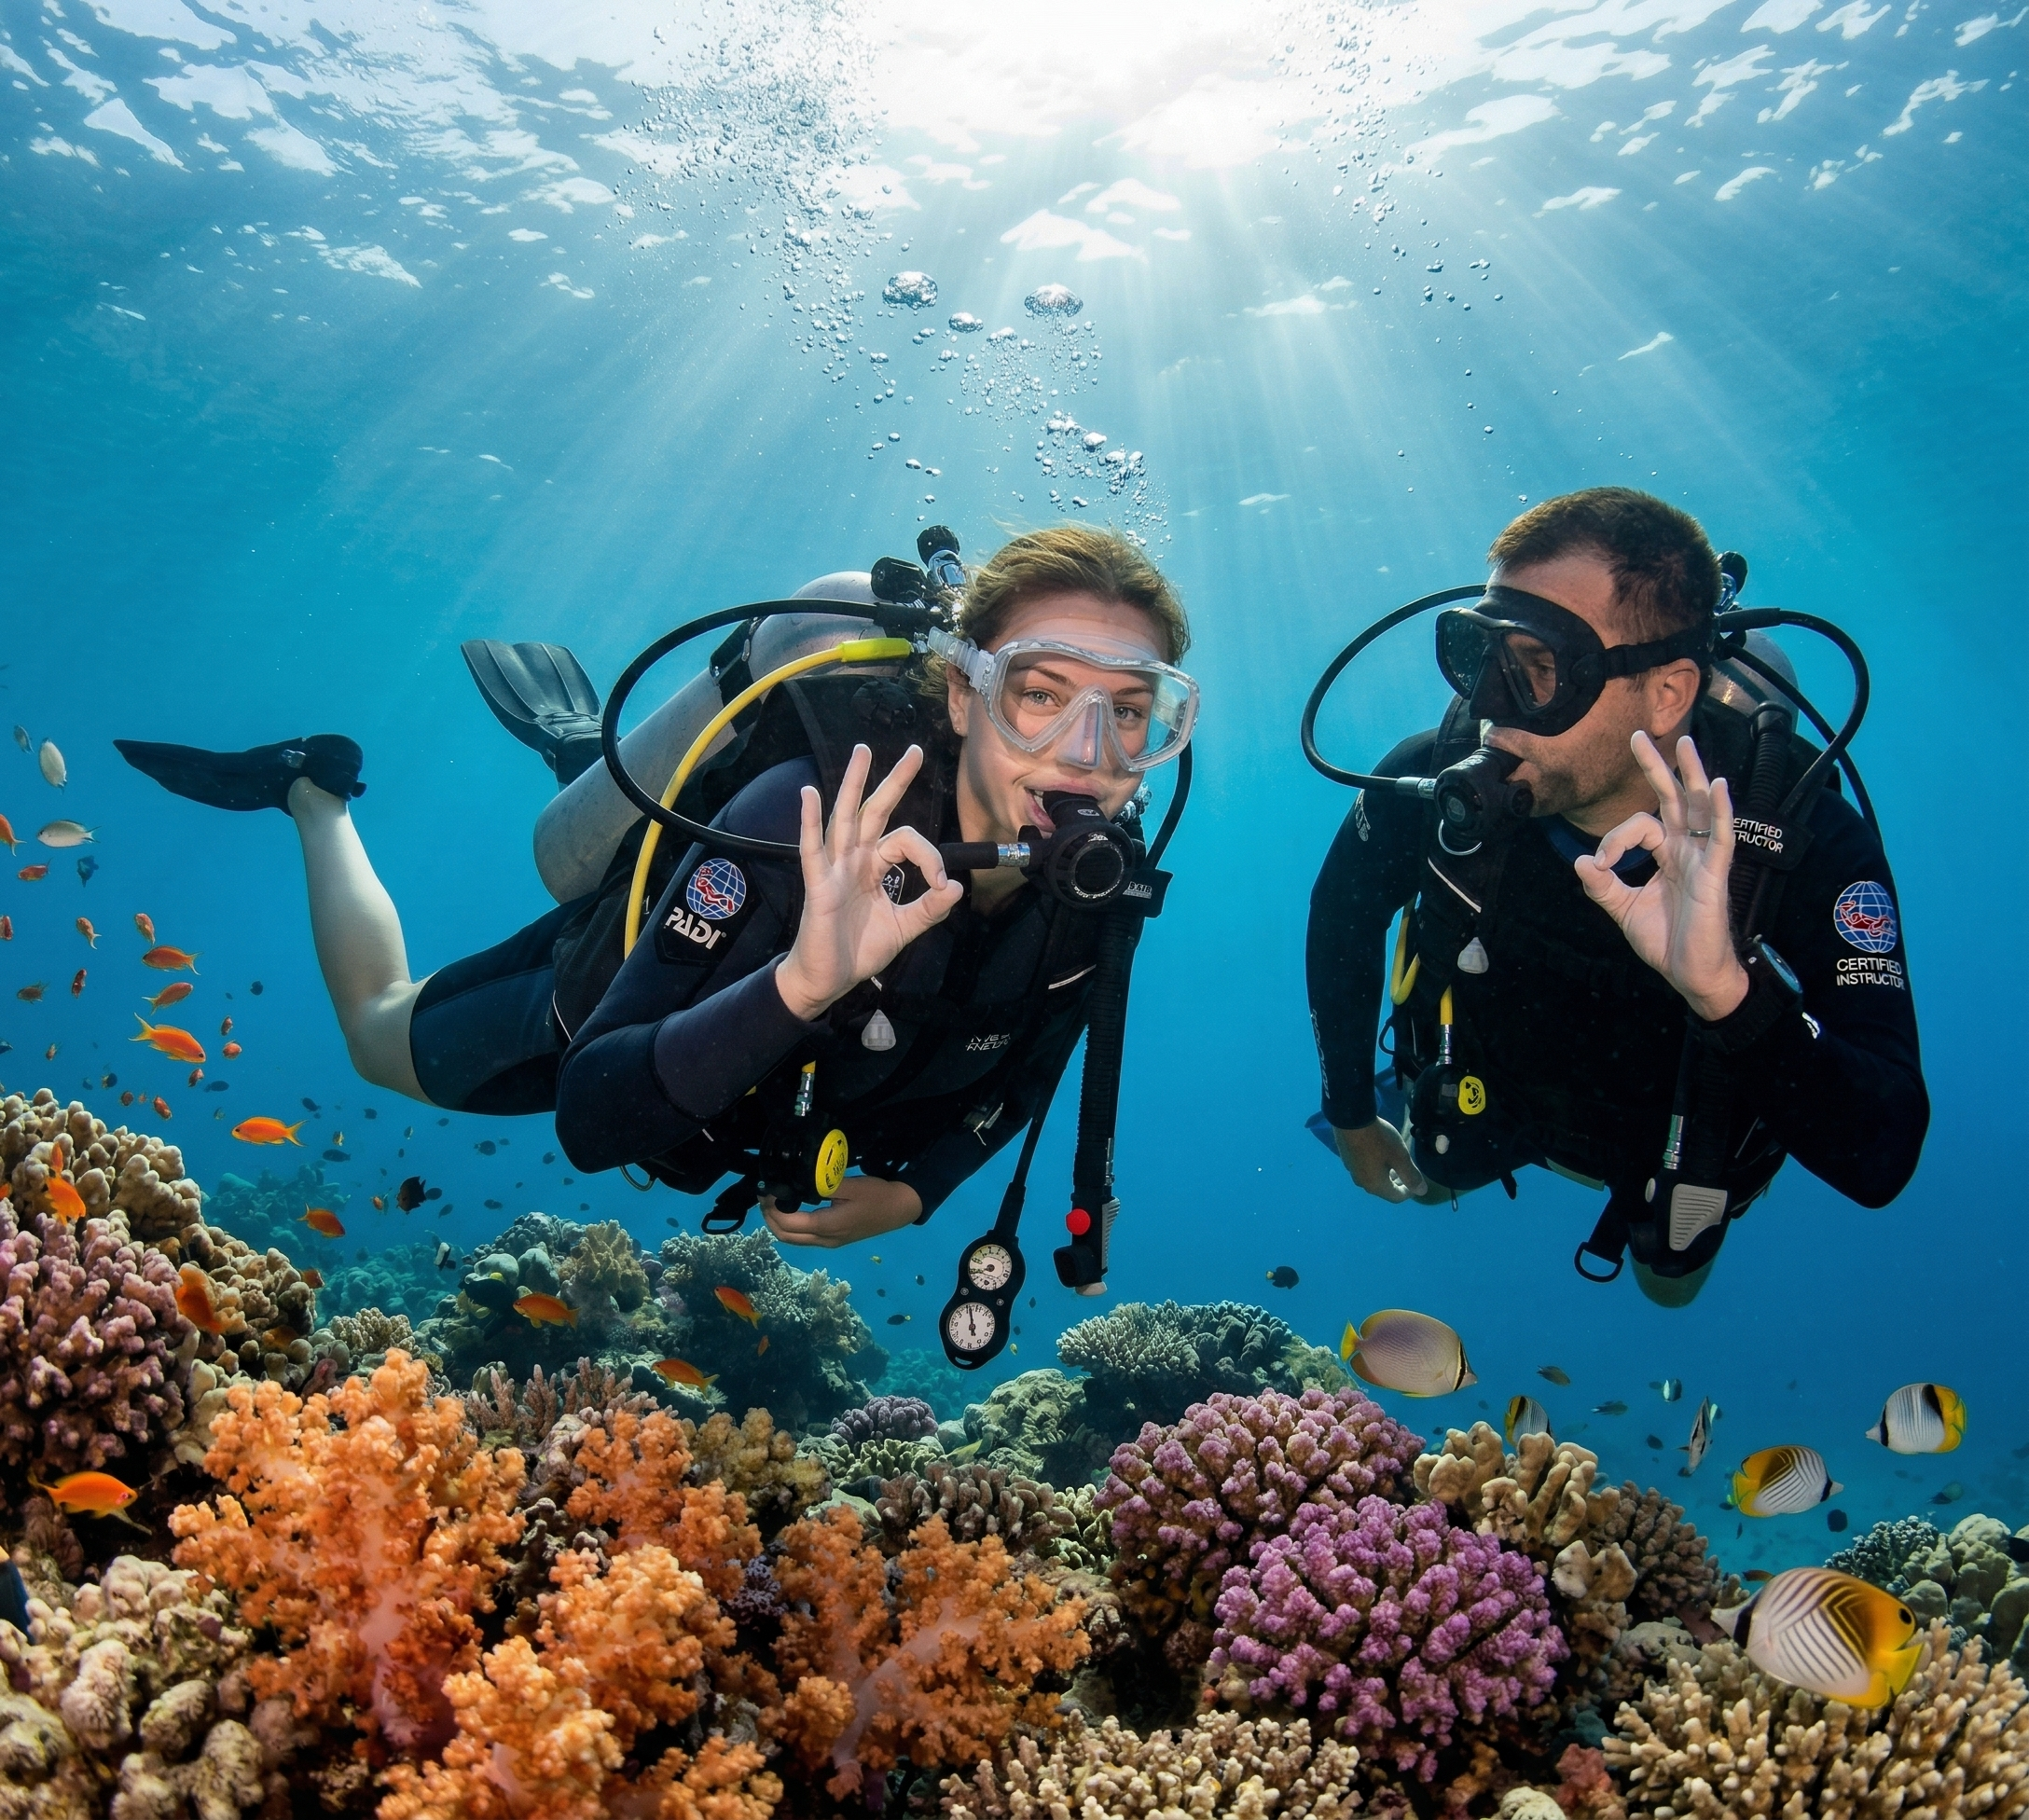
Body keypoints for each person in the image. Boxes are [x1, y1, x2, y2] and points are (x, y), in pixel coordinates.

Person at [117, 525, 1195, 1254]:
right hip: (607, 1002)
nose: (1085, 754)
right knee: (373, 1030)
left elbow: (1036, 1066)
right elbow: (592, 1117)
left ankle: (590, 753)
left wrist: (921, 1192)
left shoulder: (1099, 883)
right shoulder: (795, 819)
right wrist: (800, 980)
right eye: (1040, 693)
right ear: (962, 696)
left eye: (1129, 712)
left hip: (764, 1105)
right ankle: (313, 791)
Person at [1305, 488, 1926, 1303]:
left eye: (1540, 669)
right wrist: (1351, 1112)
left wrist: (1730, 995)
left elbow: (1883, 1154)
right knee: (1429, 1173)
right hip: (1483, 1090)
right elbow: (1341, 918)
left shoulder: (1799, 841)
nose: (1488, 707)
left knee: (1667, 1286)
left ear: (1668, 693)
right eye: (1478, 655)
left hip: (1671, 1145)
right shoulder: (1433, 778)